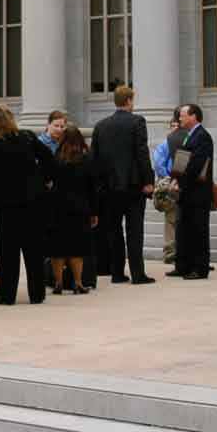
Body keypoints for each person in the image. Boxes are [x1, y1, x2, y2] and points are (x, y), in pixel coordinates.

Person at [0, 104, 52, 304]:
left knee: (8, 250)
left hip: (7, 203)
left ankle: (7, 295)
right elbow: (48, 157)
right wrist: (44, 179)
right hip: (33, 199)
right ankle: (37, 294)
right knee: (34, 248)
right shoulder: (27, 137)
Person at [90, 85, 156, 285]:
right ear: (128, 101)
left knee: (114, 232)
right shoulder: (137, 122)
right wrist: (148, 181)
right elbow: (142, 153)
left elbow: (95, 158)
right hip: (133, 186)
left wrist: (99, 185)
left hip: (109, 188)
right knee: (134, 232)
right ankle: (138, 273)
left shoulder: (101, 125)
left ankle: (117, 272)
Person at [46, 125, 100, 294]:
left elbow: (48, 180)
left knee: (58, 248)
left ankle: (58, 283)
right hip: (80, 207)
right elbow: (92, 187)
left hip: (57, 206)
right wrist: (94, 211)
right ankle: (77, 282)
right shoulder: (86, 159)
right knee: (78, 247)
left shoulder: (56, 158)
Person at [169, 104, 215, 280]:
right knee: (184, 229)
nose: (179, 119)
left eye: (182, 116)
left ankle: (199, 268)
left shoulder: (203, 136)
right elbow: (182, 159)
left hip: (197, 192)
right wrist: (175, 177)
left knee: (198, 231)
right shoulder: (190, 135)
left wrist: (179, 181)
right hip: (187, 191)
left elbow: (196, 165)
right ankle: (183, 265)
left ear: (193, 116)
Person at [153, 110, 184, 264]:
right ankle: (170, 251)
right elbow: (159, 165)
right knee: (171, 219)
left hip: (181, 183)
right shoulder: (164, 145)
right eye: (172, 125)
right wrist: (171, 178)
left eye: (177, 125)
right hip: (170, 184)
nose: (174, 128)